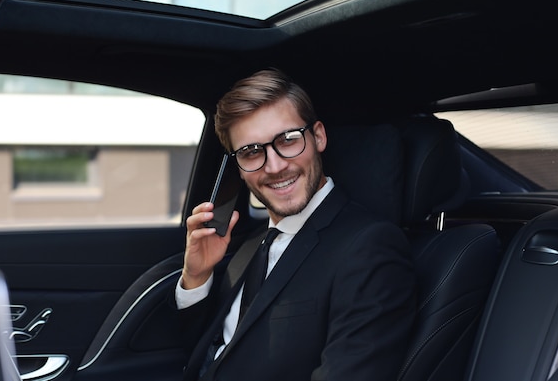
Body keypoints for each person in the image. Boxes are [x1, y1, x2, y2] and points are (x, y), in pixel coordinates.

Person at [174, 68, 416, 381]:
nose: (274, 167)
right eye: (251, 152)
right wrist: (197, 275)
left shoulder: (370, 247)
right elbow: (206, 351)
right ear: (238, 167)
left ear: (318, 136)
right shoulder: (250, 244)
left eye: (288, 140)